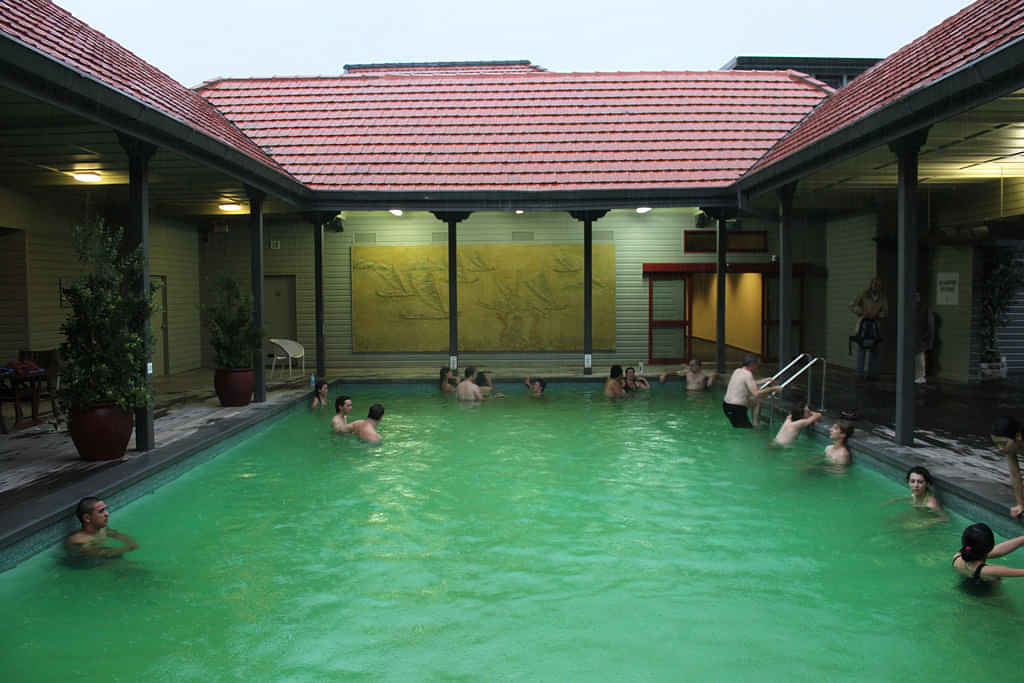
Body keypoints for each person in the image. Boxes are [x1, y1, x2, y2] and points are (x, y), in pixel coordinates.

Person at [65, 497, 138, 560]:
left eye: (105, 509)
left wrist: (130, 541)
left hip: (101, 557)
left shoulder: (102, 529)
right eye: (101, 511)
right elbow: (98, 553)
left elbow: (116, 534)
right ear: (87, 518)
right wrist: (127, 548)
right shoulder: (79, 541)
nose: (107, 514)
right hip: (86, 565)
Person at [952, 523, 1024, 585]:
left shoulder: (957, 556)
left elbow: (997, 550)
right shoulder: (989, 571)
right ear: (990, 547)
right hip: (988, 598)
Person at [722, 354, 781, 428]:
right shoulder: (748, 374)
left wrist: (762, 381)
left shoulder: (737, 371)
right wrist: (774, 388)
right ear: (753, 364)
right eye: (758, 365)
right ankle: (755, 426)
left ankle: (755, 423)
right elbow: (756, 393)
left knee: (756, 401)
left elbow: (745, 383)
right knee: (748, 431)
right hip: (736, 409)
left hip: (726, 406)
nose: (758, 367)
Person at [849, 277, 888, 380]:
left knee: (875, 350)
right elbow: (852, 305)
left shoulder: (882, 297)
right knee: (862, 348)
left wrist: (878, 314)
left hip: (875, 324)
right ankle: (860, 374)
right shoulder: (863, 294)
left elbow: (885, 311)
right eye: (874, 284)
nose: (875, 286)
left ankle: (872, 374)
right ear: (871, 285)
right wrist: (862, 312)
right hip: (864, 324)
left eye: (878, 285)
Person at [991, 416, 1024, 519]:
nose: (1000, 448)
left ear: (1018, 436)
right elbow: (1015, 475)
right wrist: (1020, 504)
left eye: (1003, 443)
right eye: (997, 444)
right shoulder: (1010, 448)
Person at [914, 291, 935, 384]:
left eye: (917, 296)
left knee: (919, 356)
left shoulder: (925, 308)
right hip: (912, 337)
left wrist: (926, 338)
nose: (915, 298)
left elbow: (930, 325)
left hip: (921, 337)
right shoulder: (908, 307)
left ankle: (920, 376)